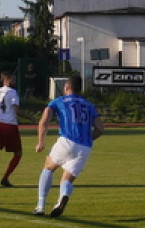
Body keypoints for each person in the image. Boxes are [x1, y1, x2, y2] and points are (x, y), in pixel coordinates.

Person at [34, 73, 104, 217]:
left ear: (66, 87)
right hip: (84, 147)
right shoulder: (89, 105)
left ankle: (40, 205)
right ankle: (62, 197)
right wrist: (87, 139)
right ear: (79, 89)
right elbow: (100, 129)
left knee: (48, 167)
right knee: (67, 179)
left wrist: (41, 142)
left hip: (66, 141)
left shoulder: (58, 101)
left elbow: (44, 121)